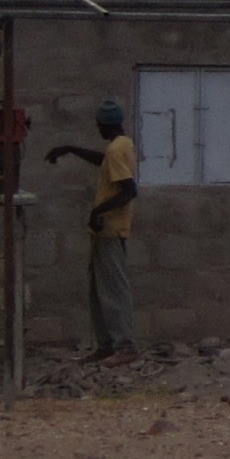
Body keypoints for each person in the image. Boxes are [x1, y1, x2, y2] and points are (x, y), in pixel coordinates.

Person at [43, 101, 140, 359]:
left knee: (114, 288)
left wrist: (98, 212)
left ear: (106, 125)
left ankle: (125, 345)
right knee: (98, 290)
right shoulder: (121, 146)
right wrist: (71, 149)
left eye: (99, 126)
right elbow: (104, 161)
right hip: (102, 232)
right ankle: (106, 344)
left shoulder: (118, 148)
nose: (98, 129)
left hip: (111, 229)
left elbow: (129, 191)